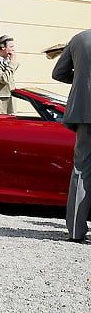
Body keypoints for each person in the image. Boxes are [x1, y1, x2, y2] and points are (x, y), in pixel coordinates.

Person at [51, 28, 91, 243]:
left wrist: (82, 77)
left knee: (81, 170)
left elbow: (58, 72)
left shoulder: (79, 39)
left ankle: (76, 230)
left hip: (84, 111)